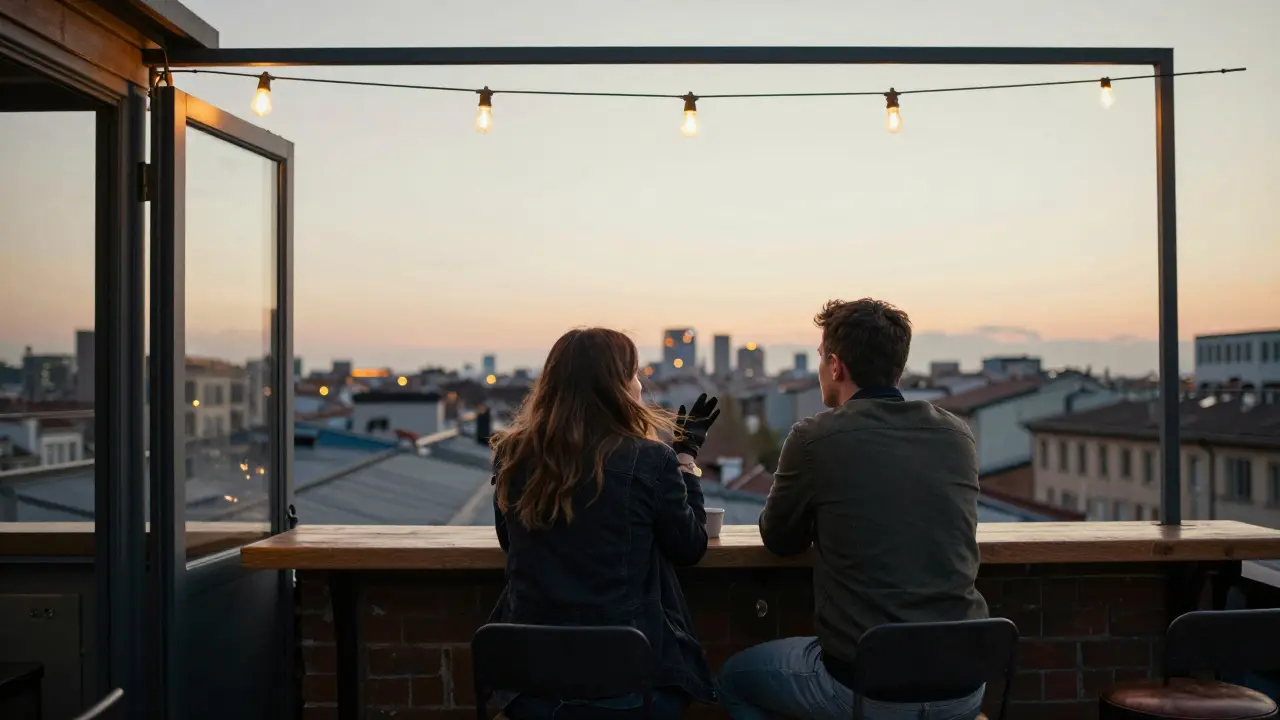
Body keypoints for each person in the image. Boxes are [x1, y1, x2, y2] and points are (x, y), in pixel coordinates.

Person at [719, 299, 989, 720]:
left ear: (835, 366)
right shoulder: (958, 435)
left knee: (733, 681)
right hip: (965, 684)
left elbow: (779, 538)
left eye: (820, 358)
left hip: (867, 687)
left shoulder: (814, 438)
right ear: (897, 367)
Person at [488, 327, 721, 719]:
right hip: (629, 691)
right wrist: (685, 459)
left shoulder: (512, 454)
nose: (639, 384)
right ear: (618, 387)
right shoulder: (651, 460)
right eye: (634, 374)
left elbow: (508, 540)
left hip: (531, 690)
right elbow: (690, 547)